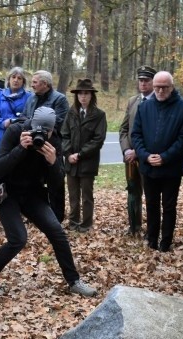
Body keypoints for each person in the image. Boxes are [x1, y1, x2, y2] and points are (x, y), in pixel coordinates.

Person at [0, 107, 98, 298]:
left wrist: (52, 162)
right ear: (31, 124)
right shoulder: (16, 132)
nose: (39, 135)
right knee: (18, 238)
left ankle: (74, 281)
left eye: (45, 131)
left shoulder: (54, 141)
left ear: (51, 130)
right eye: (36, 129)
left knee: (57, 232)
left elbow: (57, 183)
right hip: (6, 193)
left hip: (32, 194)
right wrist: (20, 148)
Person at [131, 71, 183, 252]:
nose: (160, 90)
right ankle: (151, 239)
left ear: (171, 87)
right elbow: (136, 134)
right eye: (157, 87)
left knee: (169, 206)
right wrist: (144, 155)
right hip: (148, 166)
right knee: (151, 204)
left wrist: (165, 157)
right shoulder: (145, 107)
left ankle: (166, 242)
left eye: (164, 87)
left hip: (171, 168)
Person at [61, 78, 107, 233]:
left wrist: (80, 154)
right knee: (73, 195)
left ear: (91, 95)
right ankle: (73, 223)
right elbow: (64, 135)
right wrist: (68, 154)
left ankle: (86, 225)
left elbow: (98, 139)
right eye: (80, 94)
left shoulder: (99, 115)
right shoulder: (71, 112)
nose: (83, 97)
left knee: (87, 196)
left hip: (87, 162)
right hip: (71, 162)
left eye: (86, 93)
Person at [23, 70, 70, 222]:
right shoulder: (31, 99)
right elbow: (24, 117)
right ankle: (34, 213)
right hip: (32, 145)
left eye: (35, 82)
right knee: (33, 179)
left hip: (52, 144)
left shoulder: (60, 99)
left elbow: (59, 121)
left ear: (45, 84)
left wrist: (38, 125)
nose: (32, 84)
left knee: (55, 180)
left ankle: (57, 216)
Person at [118, 65, 156, 237]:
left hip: (148, 157)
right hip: (131, 158)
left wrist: (139, 152)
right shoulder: (133, 101)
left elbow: (157, 134)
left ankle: (152, 229)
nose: (143, 84)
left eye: (146, 80)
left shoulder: (158, 101)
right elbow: (124, 129)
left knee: (151, 194)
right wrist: (126, 150)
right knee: (133, 192)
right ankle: (134, 226)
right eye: (141, 80)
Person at [0, 67, 30, 153]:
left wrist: (14, 121)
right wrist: (3, 123)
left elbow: (29, 117)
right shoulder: (0, 94)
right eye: (13, 77)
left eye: (19, 78)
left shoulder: (28, 96)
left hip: (19, 134)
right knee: (0, 162)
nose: (16, 80)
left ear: (23, 82)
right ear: (8, 79)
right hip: (2, 134)